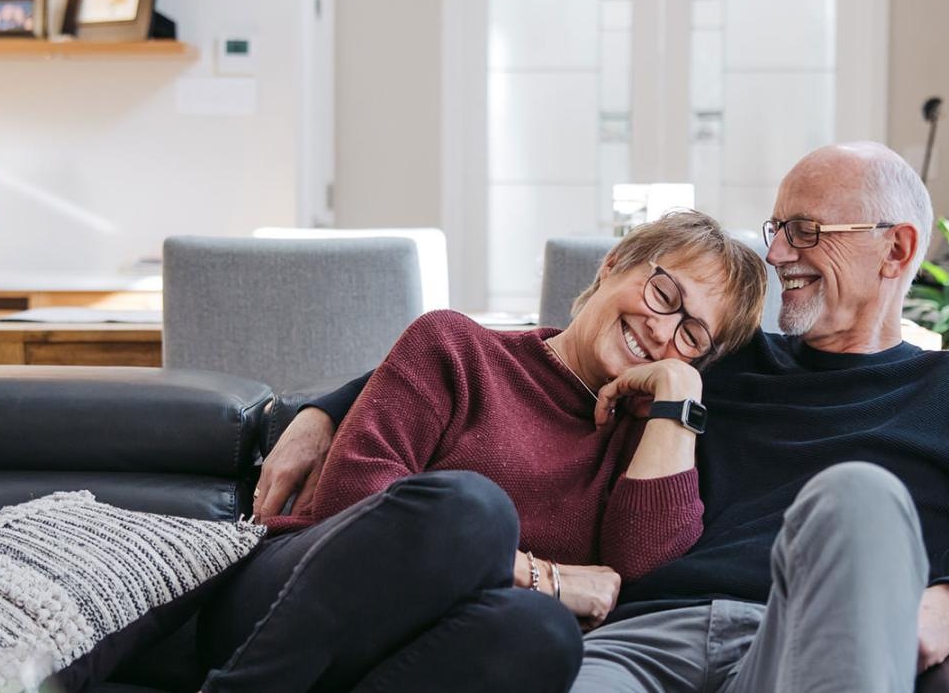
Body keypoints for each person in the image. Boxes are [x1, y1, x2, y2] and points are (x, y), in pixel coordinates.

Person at [257, 142, 949, 692]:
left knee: (859, 496)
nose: (779, 252)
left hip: (799, 648)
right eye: (776, 227)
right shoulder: (720, 353)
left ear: (895, 248)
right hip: (635, 640)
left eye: (805, 231)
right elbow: (531, 357)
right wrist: (321, 408)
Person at [196, 211, 770, 692]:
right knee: (469, 507)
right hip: (296, 598)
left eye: (693, 336)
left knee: (540, 633)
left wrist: (678, 395)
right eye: (663, 293)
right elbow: (353, 503)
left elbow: (640, 580)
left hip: (427, 649)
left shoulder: (647, 444)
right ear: (614, 263)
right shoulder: (455, 346)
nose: (662, 329)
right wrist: (543, 576)